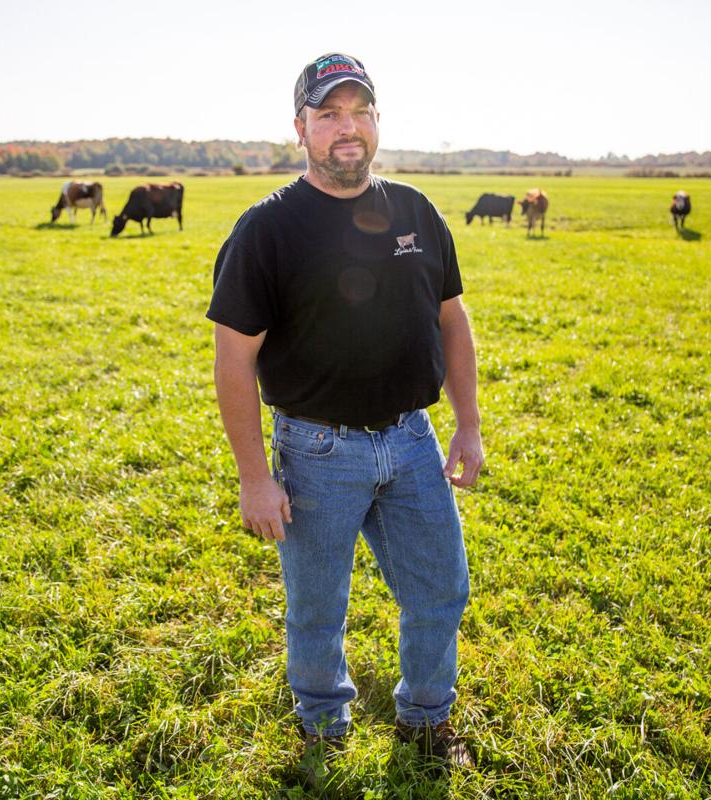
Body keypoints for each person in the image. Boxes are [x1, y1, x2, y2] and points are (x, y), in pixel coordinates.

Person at [207, 52, 483, 770]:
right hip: (316, 451)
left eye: (359, 111)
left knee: (442, 590)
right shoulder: (266, 229)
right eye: (329, 114)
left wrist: (469, 424)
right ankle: (323, 724)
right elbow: (233, 359)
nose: (347, 128)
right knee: (318, 607)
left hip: (413, 441)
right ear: (300, 127)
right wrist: (252, 478)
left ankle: (426, 718)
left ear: (377, 121)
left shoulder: (416, 210)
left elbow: (452, 319)